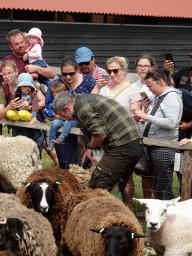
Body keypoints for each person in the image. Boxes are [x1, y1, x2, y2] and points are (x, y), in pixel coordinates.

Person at [52, 92, 143, 204]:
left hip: (122, 145)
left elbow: (100, 134)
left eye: (63, 116)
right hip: (132, 142)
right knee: (119, 186)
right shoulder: (86, 100)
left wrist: (90, 146)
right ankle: (123, 216)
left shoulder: (81, 107)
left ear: (67, 108)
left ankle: (98, 217)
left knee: (99, 183)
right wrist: (90, 149)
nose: (67, 120)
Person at [94, 56, 142, 208]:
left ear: (124, 70)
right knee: (105, 174)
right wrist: (97, 86)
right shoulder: (104, 89)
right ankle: (108, 205)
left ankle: (126, 207)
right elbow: (90, 104)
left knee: (125, 177)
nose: (112, 74)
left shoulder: (132, 89)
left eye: (115, 71)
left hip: (124, 139)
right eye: (109, 71)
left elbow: (136, 114)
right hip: (105, 138)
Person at [134, 68, 183, 200]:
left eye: (150, 86)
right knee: (158, 186)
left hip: (164, 149)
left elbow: (172, 123)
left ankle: (169, 217)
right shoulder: (159, 97)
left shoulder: (171, 96)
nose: (149, 90)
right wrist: (144, 119)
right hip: (155, 147)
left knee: (163, 188)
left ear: (161, 81)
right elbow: (158, 120)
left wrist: (147, 117)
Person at [46, 56, 97, 169]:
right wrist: (59, 116)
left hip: (83, 131)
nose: (68, 77)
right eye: (64, 74)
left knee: (84, 166)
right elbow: (48, 109)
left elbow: (94, 104)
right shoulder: (55, 85)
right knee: (66, 165)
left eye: (71, 73)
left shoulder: (88, 81)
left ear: (77, 69)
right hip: (63, 135)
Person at [0, 60, 45, 157]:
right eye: (4, 74)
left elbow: (43, 101)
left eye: (10, 73)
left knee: (35, 156)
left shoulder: (28, 81)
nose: (7, 76)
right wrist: (10, 107)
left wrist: (30, 106)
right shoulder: (4, 89)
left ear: (16, 72)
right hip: (18, 127)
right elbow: (0, 113)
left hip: (33, 126)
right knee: (20, 157)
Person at [132, 54, 156, 216]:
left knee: (152, 170)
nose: (142, 68)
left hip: (152, 132)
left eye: (146, 66)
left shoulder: (155, 86)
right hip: (136, 131)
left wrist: (146, 108)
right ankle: (144, 205)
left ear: (152, 68)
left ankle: (154, 206)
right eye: (140, 65)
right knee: (140, 170)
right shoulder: (133, 86)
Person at [44, 81, 78, 151]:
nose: (60, 98)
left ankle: (62, 137)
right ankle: (51, 141)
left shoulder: (71, 99)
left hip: (70, 119)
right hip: (60, 118)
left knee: (67, 123)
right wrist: (53, 114)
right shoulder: (53, 103)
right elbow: (46, 110)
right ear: (53, 96)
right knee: (55, 123)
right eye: (57, 96)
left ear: (65, 92)